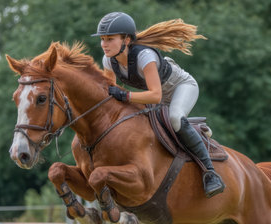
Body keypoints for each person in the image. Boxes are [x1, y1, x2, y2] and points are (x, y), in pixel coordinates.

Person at [92, 12, 225, 198]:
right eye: (102, 39)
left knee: (175, 118)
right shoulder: (108, 60)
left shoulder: (144, 56)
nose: (104, 44)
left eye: (110, 39)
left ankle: (211, 174)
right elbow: (109, 94)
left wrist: (126, 95)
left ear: (127, 40)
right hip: (153, 95)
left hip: (180, 87)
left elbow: (155, 95)